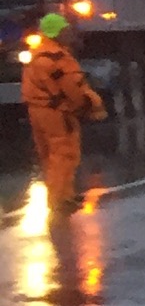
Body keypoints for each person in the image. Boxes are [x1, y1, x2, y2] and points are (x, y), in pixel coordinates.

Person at [21, 11, 106, 216]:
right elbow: (71, 87)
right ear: (57, 33)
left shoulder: (38, 56)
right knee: (64, 153)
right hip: (57, 112)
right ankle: (60, 199)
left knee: (51, 154)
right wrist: (86, 105)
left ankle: (63, 196)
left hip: (41, 110)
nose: (69, 33)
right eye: (65, 30)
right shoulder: (56, 58)